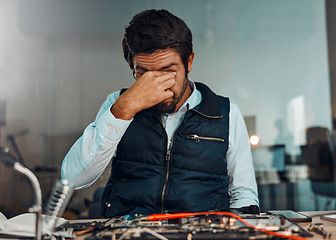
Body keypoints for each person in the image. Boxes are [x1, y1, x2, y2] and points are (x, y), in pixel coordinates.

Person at [61, 9, 259, 218]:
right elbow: (73, 179)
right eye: (143, 75)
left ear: (189, 62)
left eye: (167, 71)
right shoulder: (117, 105)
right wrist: (124, 110)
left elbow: (243, 195)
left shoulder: (226, 113)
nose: (156, 86)